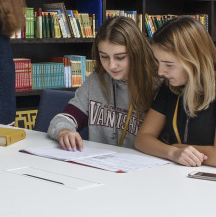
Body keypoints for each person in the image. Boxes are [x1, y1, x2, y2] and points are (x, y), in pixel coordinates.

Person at [134, 15, 216, 170]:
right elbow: (142, 139)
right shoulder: (171, 85)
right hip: (187, 174)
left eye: (169, 64)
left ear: (193, 60)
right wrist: (173, 152)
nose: (160, 72)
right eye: (158, 62)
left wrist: (178, 147)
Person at [46, 15, 158, 150]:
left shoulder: (157, 86)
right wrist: (65, 132)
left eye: (120, 57)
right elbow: (64, 119)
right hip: (100, 160)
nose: (111, 66)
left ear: (136, 52)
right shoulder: (96, 79)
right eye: (104, 57)